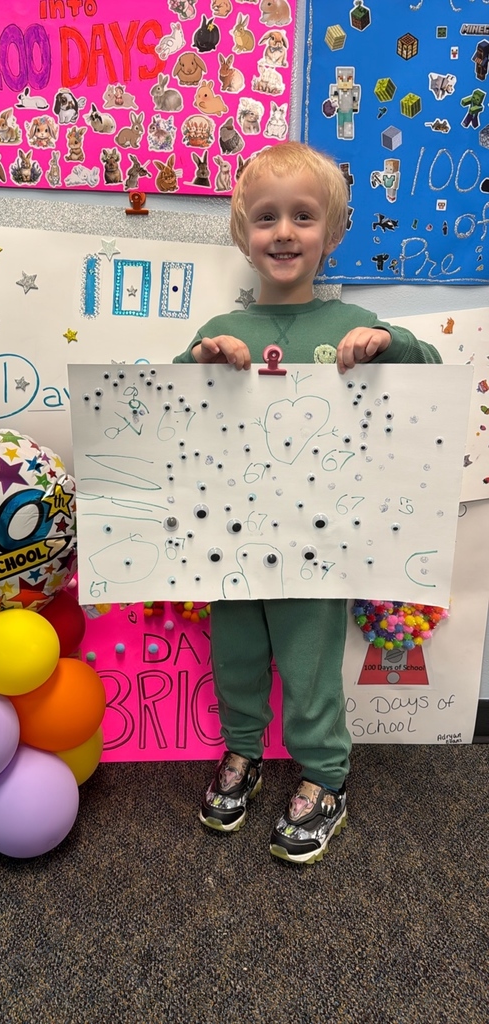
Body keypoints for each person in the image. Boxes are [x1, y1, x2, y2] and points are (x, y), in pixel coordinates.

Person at [173, 141, 441, 865]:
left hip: (318, 544)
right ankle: (243, 751)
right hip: (231, 536)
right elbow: (161, 410)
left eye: (302, 216)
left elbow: (430, 373)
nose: (284, 232)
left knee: (309, 661)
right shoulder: (217, 333)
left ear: (334, 231)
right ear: (242, 235)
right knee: (236, 654)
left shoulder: (350, 321)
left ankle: (326, 777)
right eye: (266, 218)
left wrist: (386, 341)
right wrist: (199, 362)